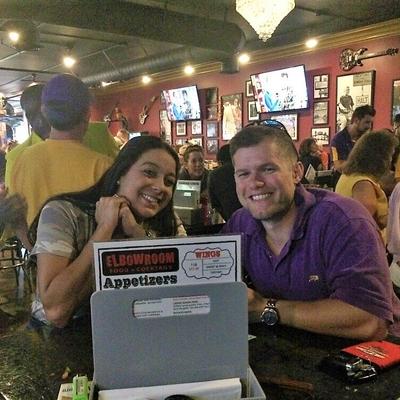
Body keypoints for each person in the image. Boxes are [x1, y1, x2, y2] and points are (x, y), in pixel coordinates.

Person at [222, 122, 400, 340]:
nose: (255, 183)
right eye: (243, 174)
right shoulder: (240, 224)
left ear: (297, 172)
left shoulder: (343, 220)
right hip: (289, 354)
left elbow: (370, 321)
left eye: (268, 169)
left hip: (370, 358)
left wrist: (265, 309)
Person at [29, 136, 184, 329]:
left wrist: (137, 236)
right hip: (56, 339)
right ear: (121, 172)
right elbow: (56, 311)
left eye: (169, 182)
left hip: (130, 330)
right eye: (149, 172)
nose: (161, 187)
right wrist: (104, 231)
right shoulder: (63, 213)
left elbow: (182, 299)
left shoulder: (168, 222)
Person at [7, 74, 113, 247]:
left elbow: (18, 223)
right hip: (89, 267)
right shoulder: (104, 166)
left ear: (45, 112)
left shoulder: (21, 160)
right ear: (87, 114)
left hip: (42, 265)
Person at [335, 130, 397, 243]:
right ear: (381, 157)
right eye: (391, 155)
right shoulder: (363, 184)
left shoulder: (349, 176)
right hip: (368, 248)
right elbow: (363, 224)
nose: (391, 161)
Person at [330, 105, 376, 185]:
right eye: (367, 122)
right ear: (356, 120)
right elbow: (339, 167)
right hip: (344, 184)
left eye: (370, 123)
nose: (369, 126)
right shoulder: (337, 140)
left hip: (366, 182)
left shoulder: (368, 139)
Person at [207, 144, 241, 221]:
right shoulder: (244, 170)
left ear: (220, 162)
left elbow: (214, 204)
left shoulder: (214, 175)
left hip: (230, 220)